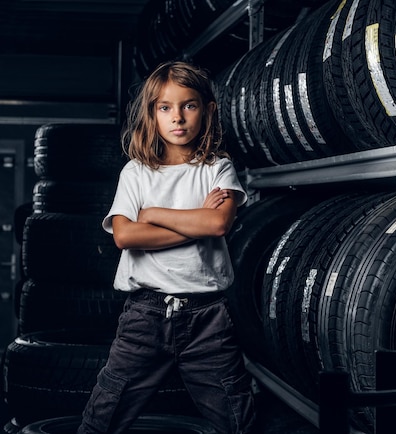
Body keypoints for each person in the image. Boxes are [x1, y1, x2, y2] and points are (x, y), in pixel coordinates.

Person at [77, 61, 256, 434]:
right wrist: (196, 224)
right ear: (152, 114)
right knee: (104, 415)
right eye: (165, 107)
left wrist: (154, 214)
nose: (178, 117)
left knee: (237, 419)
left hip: (209, 319)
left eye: (189, 105)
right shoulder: (137, 172)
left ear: (207, 111)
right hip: (145, 316)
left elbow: (218, 222)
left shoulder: (217, 168)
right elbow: (126, 236)